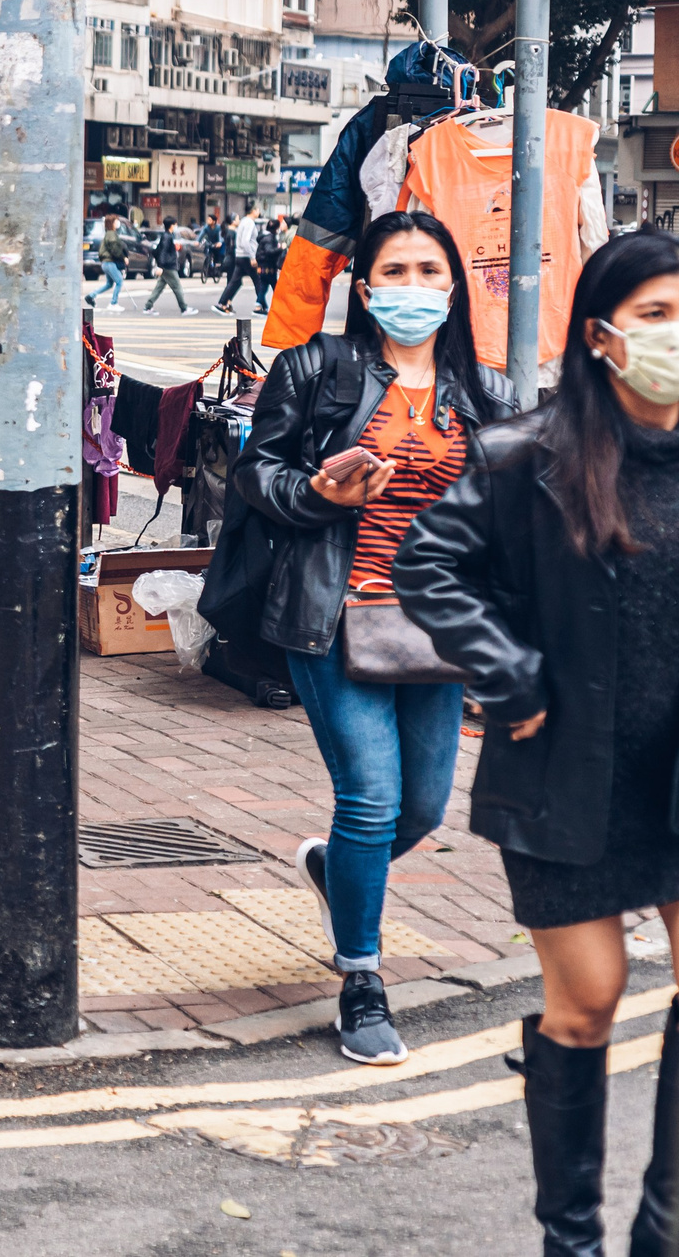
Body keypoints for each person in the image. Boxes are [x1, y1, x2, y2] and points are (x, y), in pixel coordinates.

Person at [396, 228, 679, 1255]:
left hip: (674, 774)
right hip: (567, 772)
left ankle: (661, 1227)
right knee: (590, 997)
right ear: (603, 336)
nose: (673, 333)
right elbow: (429, 565)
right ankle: (570, 1235)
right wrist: (505, 667)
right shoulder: (528, 455)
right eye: (654, 315)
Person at [233, 209, 505, 1067]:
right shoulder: (318, 368)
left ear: (454, 288)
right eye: (396, 271)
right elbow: (256, 470)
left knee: (423, 807)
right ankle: (361, 979)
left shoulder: (478, 391)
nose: (413, 287)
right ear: (365, 286)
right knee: (372, 800)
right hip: (334, 613)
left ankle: (335, 869)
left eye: (430, 271)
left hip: (433, 627)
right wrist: (320, 493)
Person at [215, 207, 266, 313]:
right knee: (258, 280)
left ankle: (222, 303)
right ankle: (260, 306)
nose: (259, 212)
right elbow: (245, 241)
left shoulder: (243, 221)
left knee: (234, 282)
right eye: (257, 210)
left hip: (239, 256)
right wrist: (252, 257)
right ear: (253, 211)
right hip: (246, 257)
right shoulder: (249, 223)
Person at [142, 218, 192, 315]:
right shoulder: (167, 237)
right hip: (168, 267)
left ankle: (148, 306)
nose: (176, 226)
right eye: (175, 224)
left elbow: (157, 251)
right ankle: (184, 308)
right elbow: (163, 252)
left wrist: (160, 264)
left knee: (159, 288)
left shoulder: (166, 236)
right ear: (172, 225)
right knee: (178, 288)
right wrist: (160, 266)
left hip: (166, 266)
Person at [87, 215, 128, 311]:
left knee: (109, 284)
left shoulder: (109, 234)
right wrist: (123, 258)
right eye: (116, 221)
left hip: (106, 263)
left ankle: (91, 295)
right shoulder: (111, 235)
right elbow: (115, 250)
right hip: (110, 262)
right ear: (112, 223)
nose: (118, 223)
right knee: (119, 281)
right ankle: (113, 303)